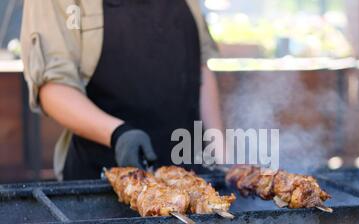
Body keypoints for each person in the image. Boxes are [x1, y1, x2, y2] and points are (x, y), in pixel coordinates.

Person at [21, 0, 224, 180]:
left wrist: (222, 156)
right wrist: (118, 133)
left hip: (192, 174)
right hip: (103, 180)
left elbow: (200, 70)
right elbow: (53, 89)